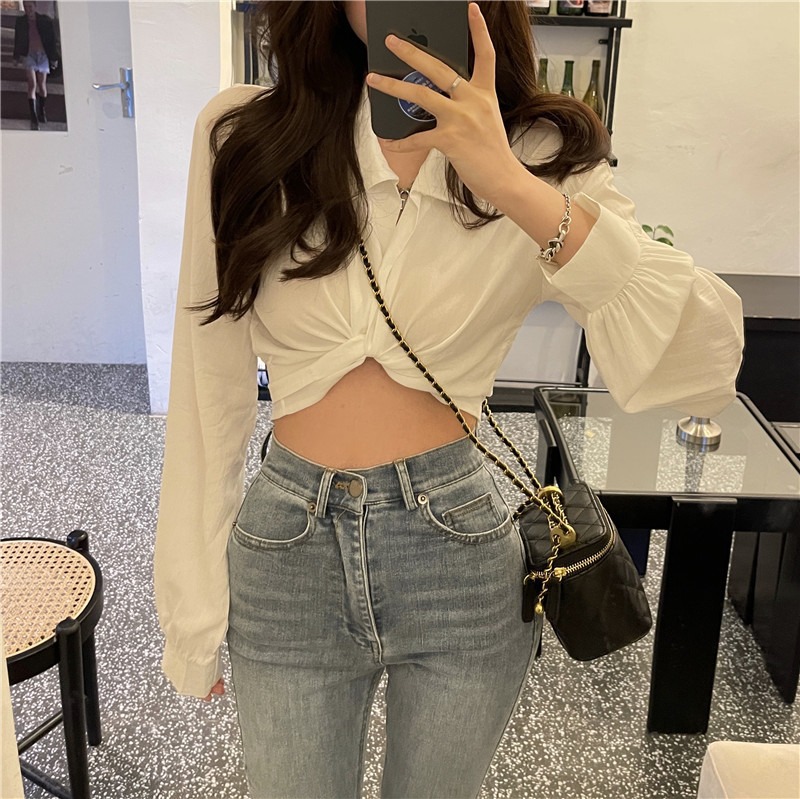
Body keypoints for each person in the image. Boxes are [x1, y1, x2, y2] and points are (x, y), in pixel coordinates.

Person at [154, 2, 744, 797]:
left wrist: (509, 182)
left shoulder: (539, 153)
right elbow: (207, 384)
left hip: (457, 554)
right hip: (287, 553)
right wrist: (193, 610)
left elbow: (704, 361)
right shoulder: (245, 135)